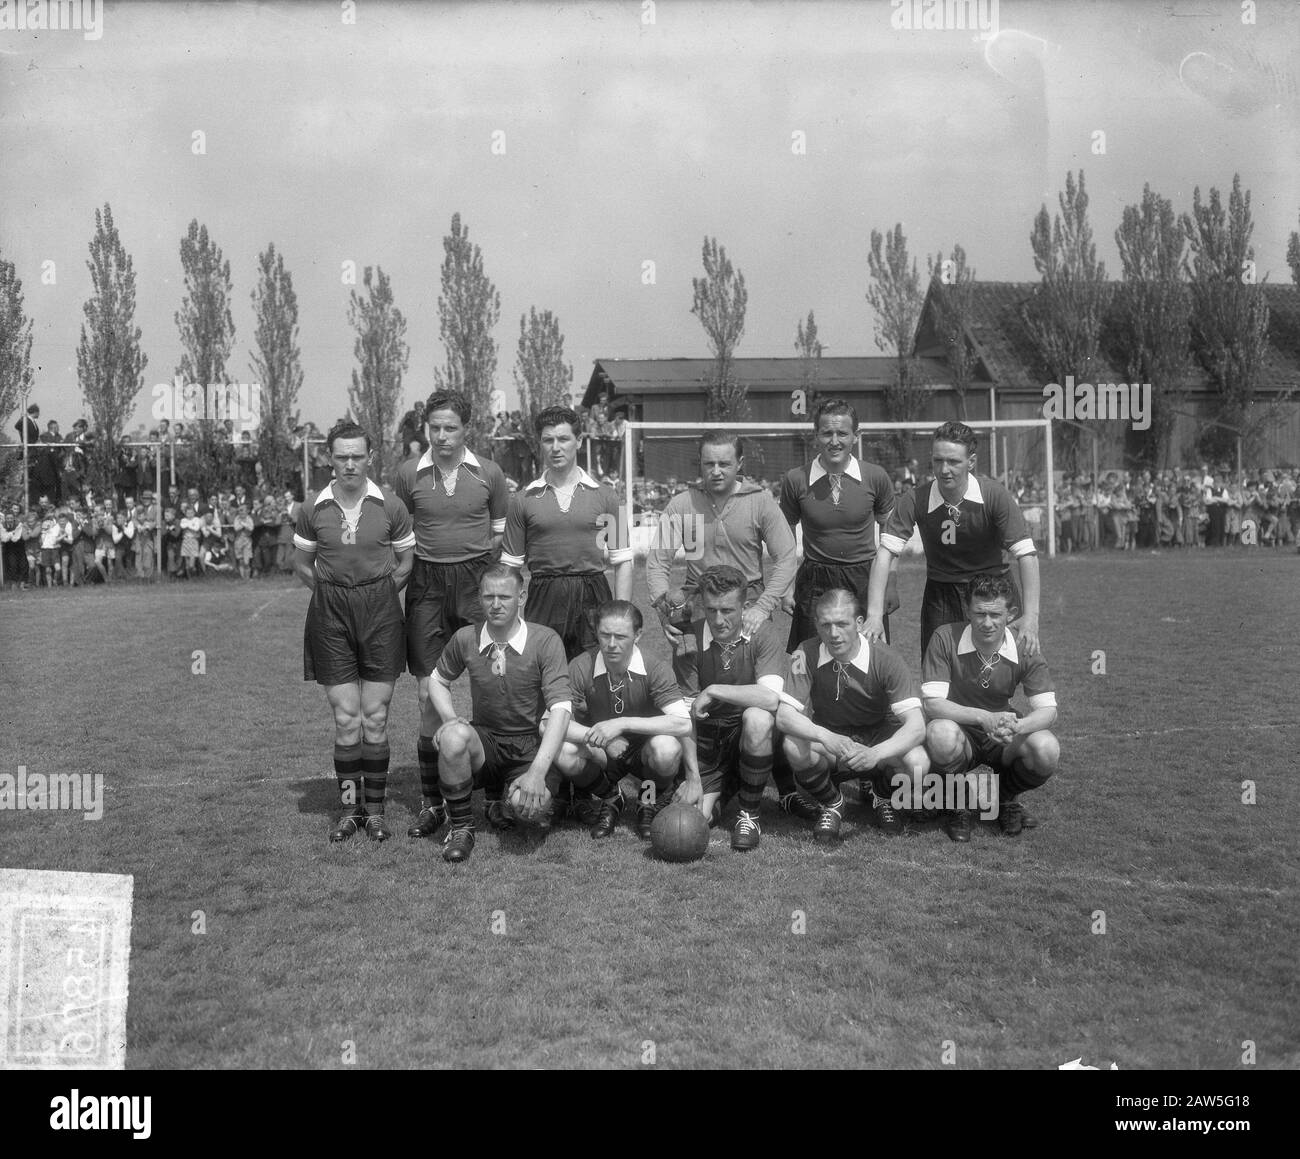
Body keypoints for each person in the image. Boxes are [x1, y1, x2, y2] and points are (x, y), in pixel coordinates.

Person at [395, 391, 510, 842]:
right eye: (435, 428)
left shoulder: (490, 473)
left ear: (467, 429)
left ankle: (496, 794)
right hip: (426, 585)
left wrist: (479, 577)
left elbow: (500, 539)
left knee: (494, 685)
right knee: (428, 693)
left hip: (474, 582)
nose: (442, 436)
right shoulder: (408, 474)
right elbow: (400, 537)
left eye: (451, 428)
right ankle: (433, 803)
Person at [293, 421, 415, 843]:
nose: (349, 464)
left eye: (357, 456)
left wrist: (378, 595)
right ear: (330, 458)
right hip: (330, 614)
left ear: (370, 458)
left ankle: (375, 812)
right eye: (342, 456)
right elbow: (302, 564)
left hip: (381, 612)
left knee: (375, 717)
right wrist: (333, 595)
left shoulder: (391, 506)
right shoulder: (312, 508)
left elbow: (407, 562)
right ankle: (349, 810)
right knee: (346, 719)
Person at [426, 565, 573, 863]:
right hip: (487, 742)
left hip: (530, 745)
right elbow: (437, 680)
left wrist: (537, 772)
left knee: (529, 809)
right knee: (452, 736)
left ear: (521, 597)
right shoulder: (466, 638)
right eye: (488, 596)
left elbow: (561, 709)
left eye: (504, 597)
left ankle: (532, 794)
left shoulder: (545, 640)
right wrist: (450, 718)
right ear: (479, 598)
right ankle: (461, 828)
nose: (495, 605)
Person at [867, 421, 1041, 660]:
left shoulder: (994, 495)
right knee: (939, 671)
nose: (944, 469)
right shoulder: (915, 499)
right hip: (942, 594)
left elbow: (1027, 555)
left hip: (993, 591)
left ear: (971, 461)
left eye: (953, 462)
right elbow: (885, 553)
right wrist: (874, 615)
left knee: (999, 671)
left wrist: (1031, 617)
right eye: (938, 460)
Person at [645, 430, 798, 689]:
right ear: (700, 463)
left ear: (739, 463)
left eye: (724, 464)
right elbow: (658, 562)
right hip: (697, 602)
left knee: (755, 689)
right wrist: (664, 609)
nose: (716, 471)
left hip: (749, 602)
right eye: (709, 464)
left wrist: (763, 607)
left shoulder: (760, 502)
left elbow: (786, 557)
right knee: (691, 692)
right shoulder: (682, 504)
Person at [776, 589, 928, 843]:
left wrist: (876, 754)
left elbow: (917, 726)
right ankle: (833, 803)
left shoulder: (886, 657)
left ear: (858, 623)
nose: (834, 633)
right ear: (816, 625)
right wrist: (825, 736)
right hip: (833, 738)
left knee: (919, 762)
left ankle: (882, 796)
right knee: (793, 745)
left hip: (878, 737)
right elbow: (784, 716)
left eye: (842, 624)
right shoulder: (804, 652)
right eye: (826, 625)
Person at [921, 574, 1059, 841]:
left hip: (1005, 733)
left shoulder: (1024, 644)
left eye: (995, 615)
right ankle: (957, 804)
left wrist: (1018, 726)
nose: (986, 623)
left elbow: (1048, 710)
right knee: (940, 734)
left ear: (1011, 614)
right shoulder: (945, 637)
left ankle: (1003, 798)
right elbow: (932, 704)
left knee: (1046, 749)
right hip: (961, 728)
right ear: (968, 610)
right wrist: (984, 718)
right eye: (979, 613)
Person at [554, 600, 699, 839]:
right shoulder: (581, 666)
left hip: (645, 749)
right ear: (596, 633)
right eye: (605, 635)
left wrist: (621, 724)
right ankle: (612, 797)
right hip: (603, 749)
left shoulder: (655, 667)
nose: (611, 644)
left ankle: (647, 799)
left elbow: (683, 723)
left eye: (620, 636)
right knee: (563, 750)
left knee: (666, 749)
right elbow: (548, 724)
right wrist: (604, 738)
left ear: (638, 635)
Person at [500, 405, 632, 661]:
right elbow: (509, 568)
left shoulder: (607, 496)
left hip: (593, 595)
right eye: (548, 440)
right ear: (540, 444)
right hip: (544, 596)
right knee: (543, 674)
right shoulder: (522, 500)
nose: (555, 447)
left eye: (563, 439)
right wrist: (506, 619)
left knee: (594, 674)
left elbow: (623, 560)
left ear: (579, 441)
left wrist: (622, 615)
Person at [677, 565, 788, 852]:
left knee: (757, 717)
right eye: (711, 610)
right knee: (694, 817)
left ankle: (749, 814)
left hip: (747, 732)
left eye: (727, 610)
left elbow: (771, 698)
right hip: (709, 738)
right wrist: (692, 777)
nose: (718, 619)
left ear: (745, 607)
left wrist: (714, 689)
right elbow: (685, 717)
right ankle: (727, 788)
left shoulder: (764, 633)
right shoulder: (689, 639)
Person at [779, 398, 897, 650]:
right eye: (827, 433)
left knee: (869, 655)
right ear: (816, 435)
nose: (834, 441)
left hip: (865, 578)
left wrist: (890, 584)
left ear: (856, 436)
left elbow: (891, 537)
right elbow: (785, 538)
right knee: (811, 655)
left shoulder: (876, 476)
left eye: (842, 433)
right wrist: (787, 586)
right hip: (815, 579)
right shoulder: (795, 479)